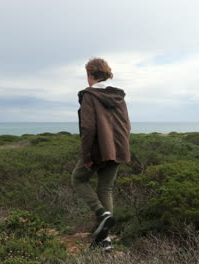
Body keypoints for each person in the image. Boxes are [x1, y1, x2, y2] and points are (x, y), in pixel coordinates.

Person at [71, 57, 131, 251]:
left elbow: (88, 128)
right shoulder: (119, 96)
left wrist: (87, 156)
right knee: (105, 189)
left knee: (78, 179)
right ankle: (105, 241)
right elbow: (126, 124)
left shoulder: (89, 95)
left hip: (98, 148)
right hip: (119, 147)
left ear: (90, 74)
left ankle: (101, 214)